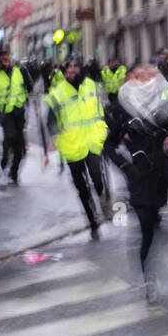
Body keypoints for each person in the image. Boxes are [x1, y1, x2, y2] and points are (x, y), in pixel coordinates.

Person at [104, 63, 168, 304]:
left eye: (149, 75)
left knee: (154, 222)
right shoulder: (122, 110)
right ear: (130, 80)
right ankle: (148, 278)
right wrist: (125, 167)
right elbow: (108, 146)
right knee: (146, 227)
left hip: (163, 173)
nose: (144, 80)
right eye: (138, 76)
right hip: (138, 175)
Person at [44, 58, 111, 239]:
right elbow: (50, 119)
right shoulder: (58, 93)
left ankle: (102, 198)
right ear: (64, 71)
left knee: (97, 177)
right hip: (72, 146)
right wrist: (54, 135)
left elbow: (102, 109)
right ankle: (92, 221)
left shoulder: (93, 87)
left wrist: (109, 127)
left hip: (92, 142)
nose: (72, 70)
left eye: (75, 66)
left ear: (81, 68)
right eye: (68, 67)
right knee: (81, 187)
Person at [0, 45, 27, 186]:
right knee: (9, 138)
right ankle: (3, 164)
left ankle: (14, 173)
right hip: (4, 114)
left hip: (19, 113)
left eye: (7, 54)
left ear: (10, 56)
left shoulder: (19, 70)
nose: (5, 57)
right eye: (2, 55)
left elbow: (29, 86)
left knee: (20, 149)